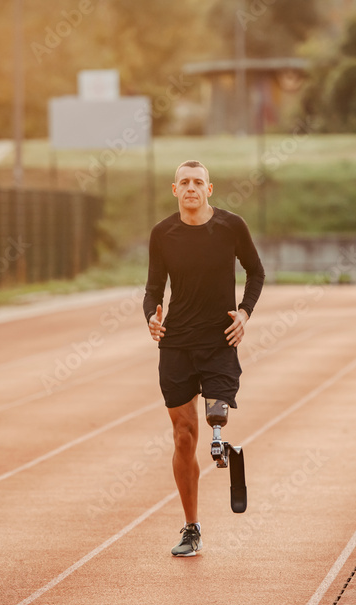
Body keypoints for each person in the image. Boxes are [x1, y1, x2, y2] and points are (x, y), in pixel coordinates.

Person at [143, 160, 265, 557]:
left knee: (216, 412)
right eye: (185, 182)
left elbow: (256, 272)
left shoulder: (231, 227)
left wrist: (243, 313)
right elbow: (153, 288)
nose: (191, 187)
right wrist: (151, 316)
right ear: (174, 190)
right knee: (182, 436)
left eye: (198, 182)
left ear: (208, 189)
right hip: (176, 344)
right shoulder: (162, 234)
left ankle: (221, 442)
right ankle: (192, 527)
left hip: (218, 341)